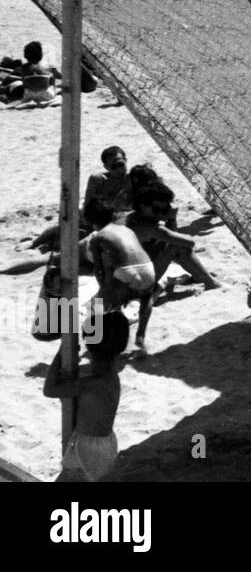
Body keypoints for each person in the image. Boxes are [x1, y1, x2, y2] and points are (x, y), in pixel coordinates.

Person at [126, 181, 219, 353]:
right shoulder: (150, 227)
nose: (161, 213)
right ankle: (210, 282)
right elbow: (187, 242)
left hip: (124, 273)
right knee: (177, 248)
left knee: (169, 247)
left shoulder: (130, 217)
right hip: (137, 281)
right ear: (144, 207)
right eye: (157, 210)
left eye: (164, 208)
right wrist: (171, 218)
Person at [43, 306, 129, 481]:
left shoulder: (92, 384)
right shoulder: (110, 377)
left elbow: (49, 389)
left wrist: (61, 353)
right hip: (104, 444)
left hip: (89, 449)